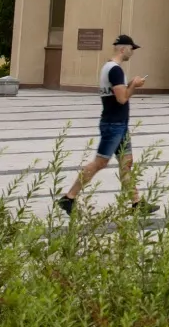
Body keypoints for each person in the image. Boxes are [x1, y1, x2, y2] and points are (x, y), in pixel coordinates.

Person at [58, 33, 152, 215]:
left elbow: (119, 93)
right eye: (132, 49)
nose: (132, 53)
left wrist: (130, 83)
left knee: (126, 163)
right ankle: (68, 198)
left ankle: (136, 203)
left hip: (119, 125)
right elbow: (122, 98)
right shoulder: (115, 70)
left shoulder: (109, 68)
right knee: (99, 162)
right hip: (113, 125)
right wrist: (135, 86)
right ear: (123, 49)